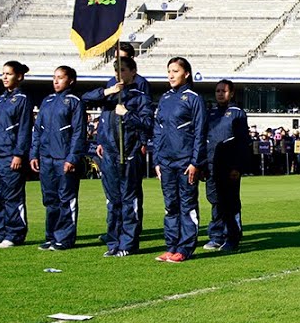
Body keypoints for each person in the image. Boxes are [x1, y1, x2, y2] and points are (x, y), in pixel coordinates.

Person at [84, 55, 154, 257]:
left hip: (129, 155)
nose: (119, 74)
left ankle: (128, 243)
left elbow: (147, 125)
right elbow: (84, 99)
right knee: (113, 201)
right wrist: (108, 91)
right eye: (116, 70)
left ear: (133, 72)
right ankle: (113, 241)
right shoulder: (110, 95)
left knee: (128, 200)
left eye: (123, 70)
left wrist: (127, 115)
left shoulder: (140, 98)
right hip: (110, 155)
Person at [151, 57, 208, 263]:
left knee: (187, 205)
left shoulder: (194, 99)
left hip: (185, 163)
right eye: (168, 71)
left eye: (175, 71)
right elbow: (157, 131)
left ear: (186, 74)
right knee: (170, 206)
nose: (171, 75)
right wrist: (156, 160)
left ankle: (185, 248)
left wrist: (195, 162)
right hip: (166, 162)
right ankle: (171, 246)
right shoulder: (164, 99)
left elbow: (200, 134)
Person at [29, 65, 88, 250]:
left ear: (70, 80)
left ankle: (65, 237)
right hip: (46, 158)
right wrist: (34, 153)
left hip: (64, 158)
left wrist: (72, 158)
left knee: (66, 198)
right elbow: (37, 130)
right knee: (50, 199)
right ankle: (51, 236)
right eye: (54, 77)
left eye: (60, 77)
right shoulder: (47, 101)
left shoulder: (75, 102)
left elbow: (79, 132)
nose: (56, 81)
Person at [0, 61, 34, 248]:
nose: (4, 77)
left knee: (13, 196)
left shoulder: (23, 99)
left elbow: (24, 129)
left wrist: (19, 154)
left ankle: (15, 234)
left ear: (19, 76)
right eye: (3, 73)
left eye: (8, 74)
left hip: (11, 155)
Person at [204, 79, 250, 252]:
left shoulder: (237, 113)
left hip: (229, 166)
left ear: (231, 93)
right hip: (211, 164)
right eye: (217, 91)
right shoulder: (211, 113)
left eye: (223, 91)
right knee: (215, 200)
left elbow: (243, 142)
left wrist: (237, 166)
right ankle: (216, 236)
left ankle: (233, 237)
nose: (220, 94)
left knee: (230, 202)